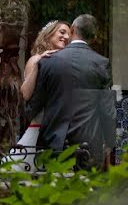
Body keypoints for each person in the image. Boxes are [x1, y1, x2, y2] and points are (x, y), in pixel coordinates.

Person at [25, 14, 115, 170]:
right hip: (88, 144)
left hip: (53, 141)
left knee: (54, 192)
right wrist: (110, 142)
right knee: (87, 192)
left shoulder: (48, 61)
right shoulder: (101, 63)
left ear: (72, 30)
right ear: (93, 38)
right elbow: (107, 110)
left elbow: (35, 104)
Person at [6, 20, 71, 171]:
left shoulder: (65, 62)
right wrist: (38, 64)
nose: (66, 36)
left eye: (69, 34)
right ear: (48, 35)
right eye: (62, 32)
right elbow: (26, 93)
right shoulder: (36, 59)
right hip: (39, 127)